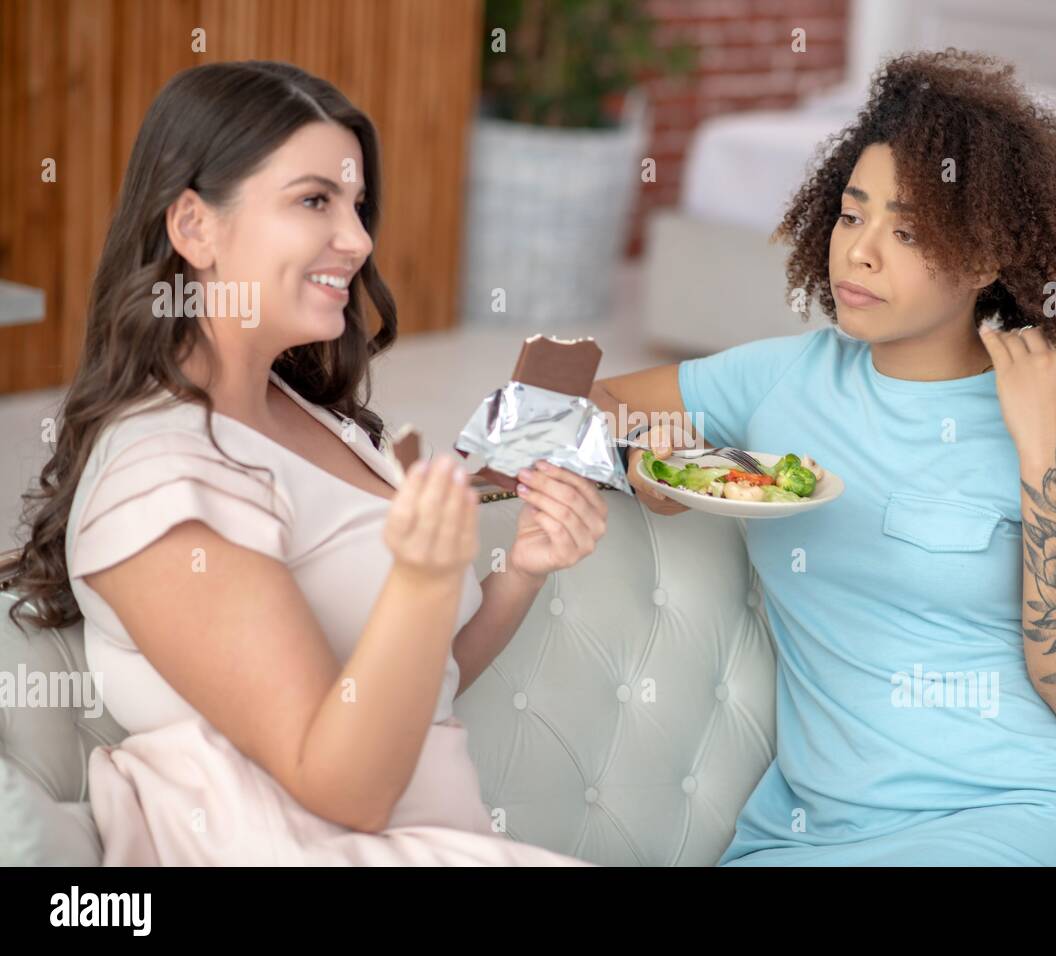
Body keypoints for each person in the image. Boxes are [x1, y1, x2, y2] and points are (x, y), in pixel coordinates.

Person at [0, 61, 605, 866]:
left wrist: (520, 573)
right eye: (314, 200)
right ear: (194, 228)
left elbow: (415, 689)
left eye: (357, 205)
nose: (357, 239)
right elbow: (347, 789)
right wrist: (422, 577)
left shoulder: (312, 416)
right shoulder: (159, 476)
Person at [592, 50, 1056, 866]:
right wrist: (648, 456)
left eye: (909, 229)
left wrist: (1044, 450)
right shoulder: (780, 379)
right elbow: (575, 403)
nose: (860, 252)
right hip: (809, 834)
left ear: (987, 256)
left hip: (1026, 819)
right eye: (852, 217)